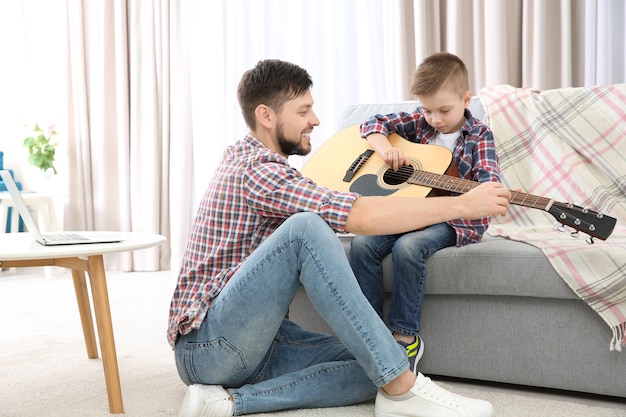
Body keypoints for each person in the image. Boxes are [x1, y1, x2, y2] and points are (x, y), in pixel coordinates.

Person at [168, 59, 510, 417]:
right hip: (209, 348)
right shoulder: (258, 171)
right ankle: (404, 392)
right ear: (267, 116)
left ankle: (226, 403)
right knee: (306, 229)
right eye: (304, 110)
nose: (315, 120)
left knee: (381, 362)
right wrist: (462, 205)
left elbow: (344, 205)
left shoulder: (272, 170)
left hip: (256, 345)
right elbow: (357, 215)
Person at [349, 52, 502, 373]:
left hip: (456, 219)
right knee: (362, 244)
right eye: (427, 110)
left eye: (443, 110)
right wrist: (384, 148)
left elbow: (490, 184)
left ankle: (405, 336)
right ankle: (370, 332)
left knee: (410, 246)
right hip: (410, 210)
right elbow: (372, 124)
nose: (434, 118)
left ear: (466, 100)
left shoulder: (479, 137)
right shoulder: (419, 123)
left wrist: (481, 193)